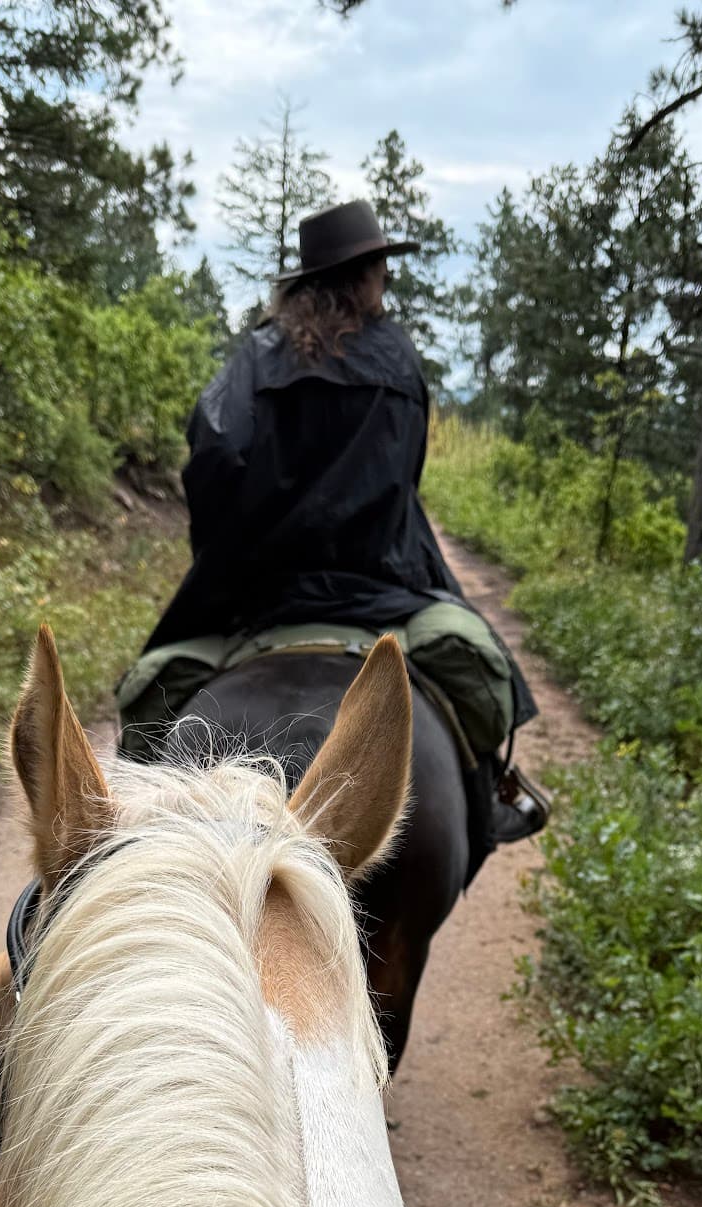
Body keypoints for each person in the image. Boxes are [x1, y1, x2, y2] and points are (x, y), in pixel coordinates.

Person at [138, 198, 546, 845]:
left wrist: (230, 542)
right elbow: (405, 473)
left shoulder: (261, 354)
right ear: (358, 276)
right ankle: (490, 797)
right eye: (379, 266)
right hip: (384, 581)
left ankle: (119, 824)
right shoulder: (399, 356)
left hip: (263, 591)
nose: (385, 279)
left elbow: (214, 447)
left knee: (149, 695)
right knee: (480, 674)